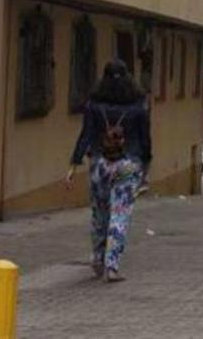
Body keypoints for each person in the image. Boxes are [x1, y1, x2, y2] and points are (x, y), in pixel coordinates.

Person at [65, 60, 151, 283]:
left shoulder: (94, 104)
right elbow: (145, 140)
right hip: (128, 164)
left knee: (99, 214)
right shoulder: (138, 105)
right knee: (119, 215)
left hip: (99, 164)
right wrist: (146, 166)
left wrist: (74, 164)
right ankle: (112, 267)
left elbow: (85, 135)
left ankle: (97, 259)